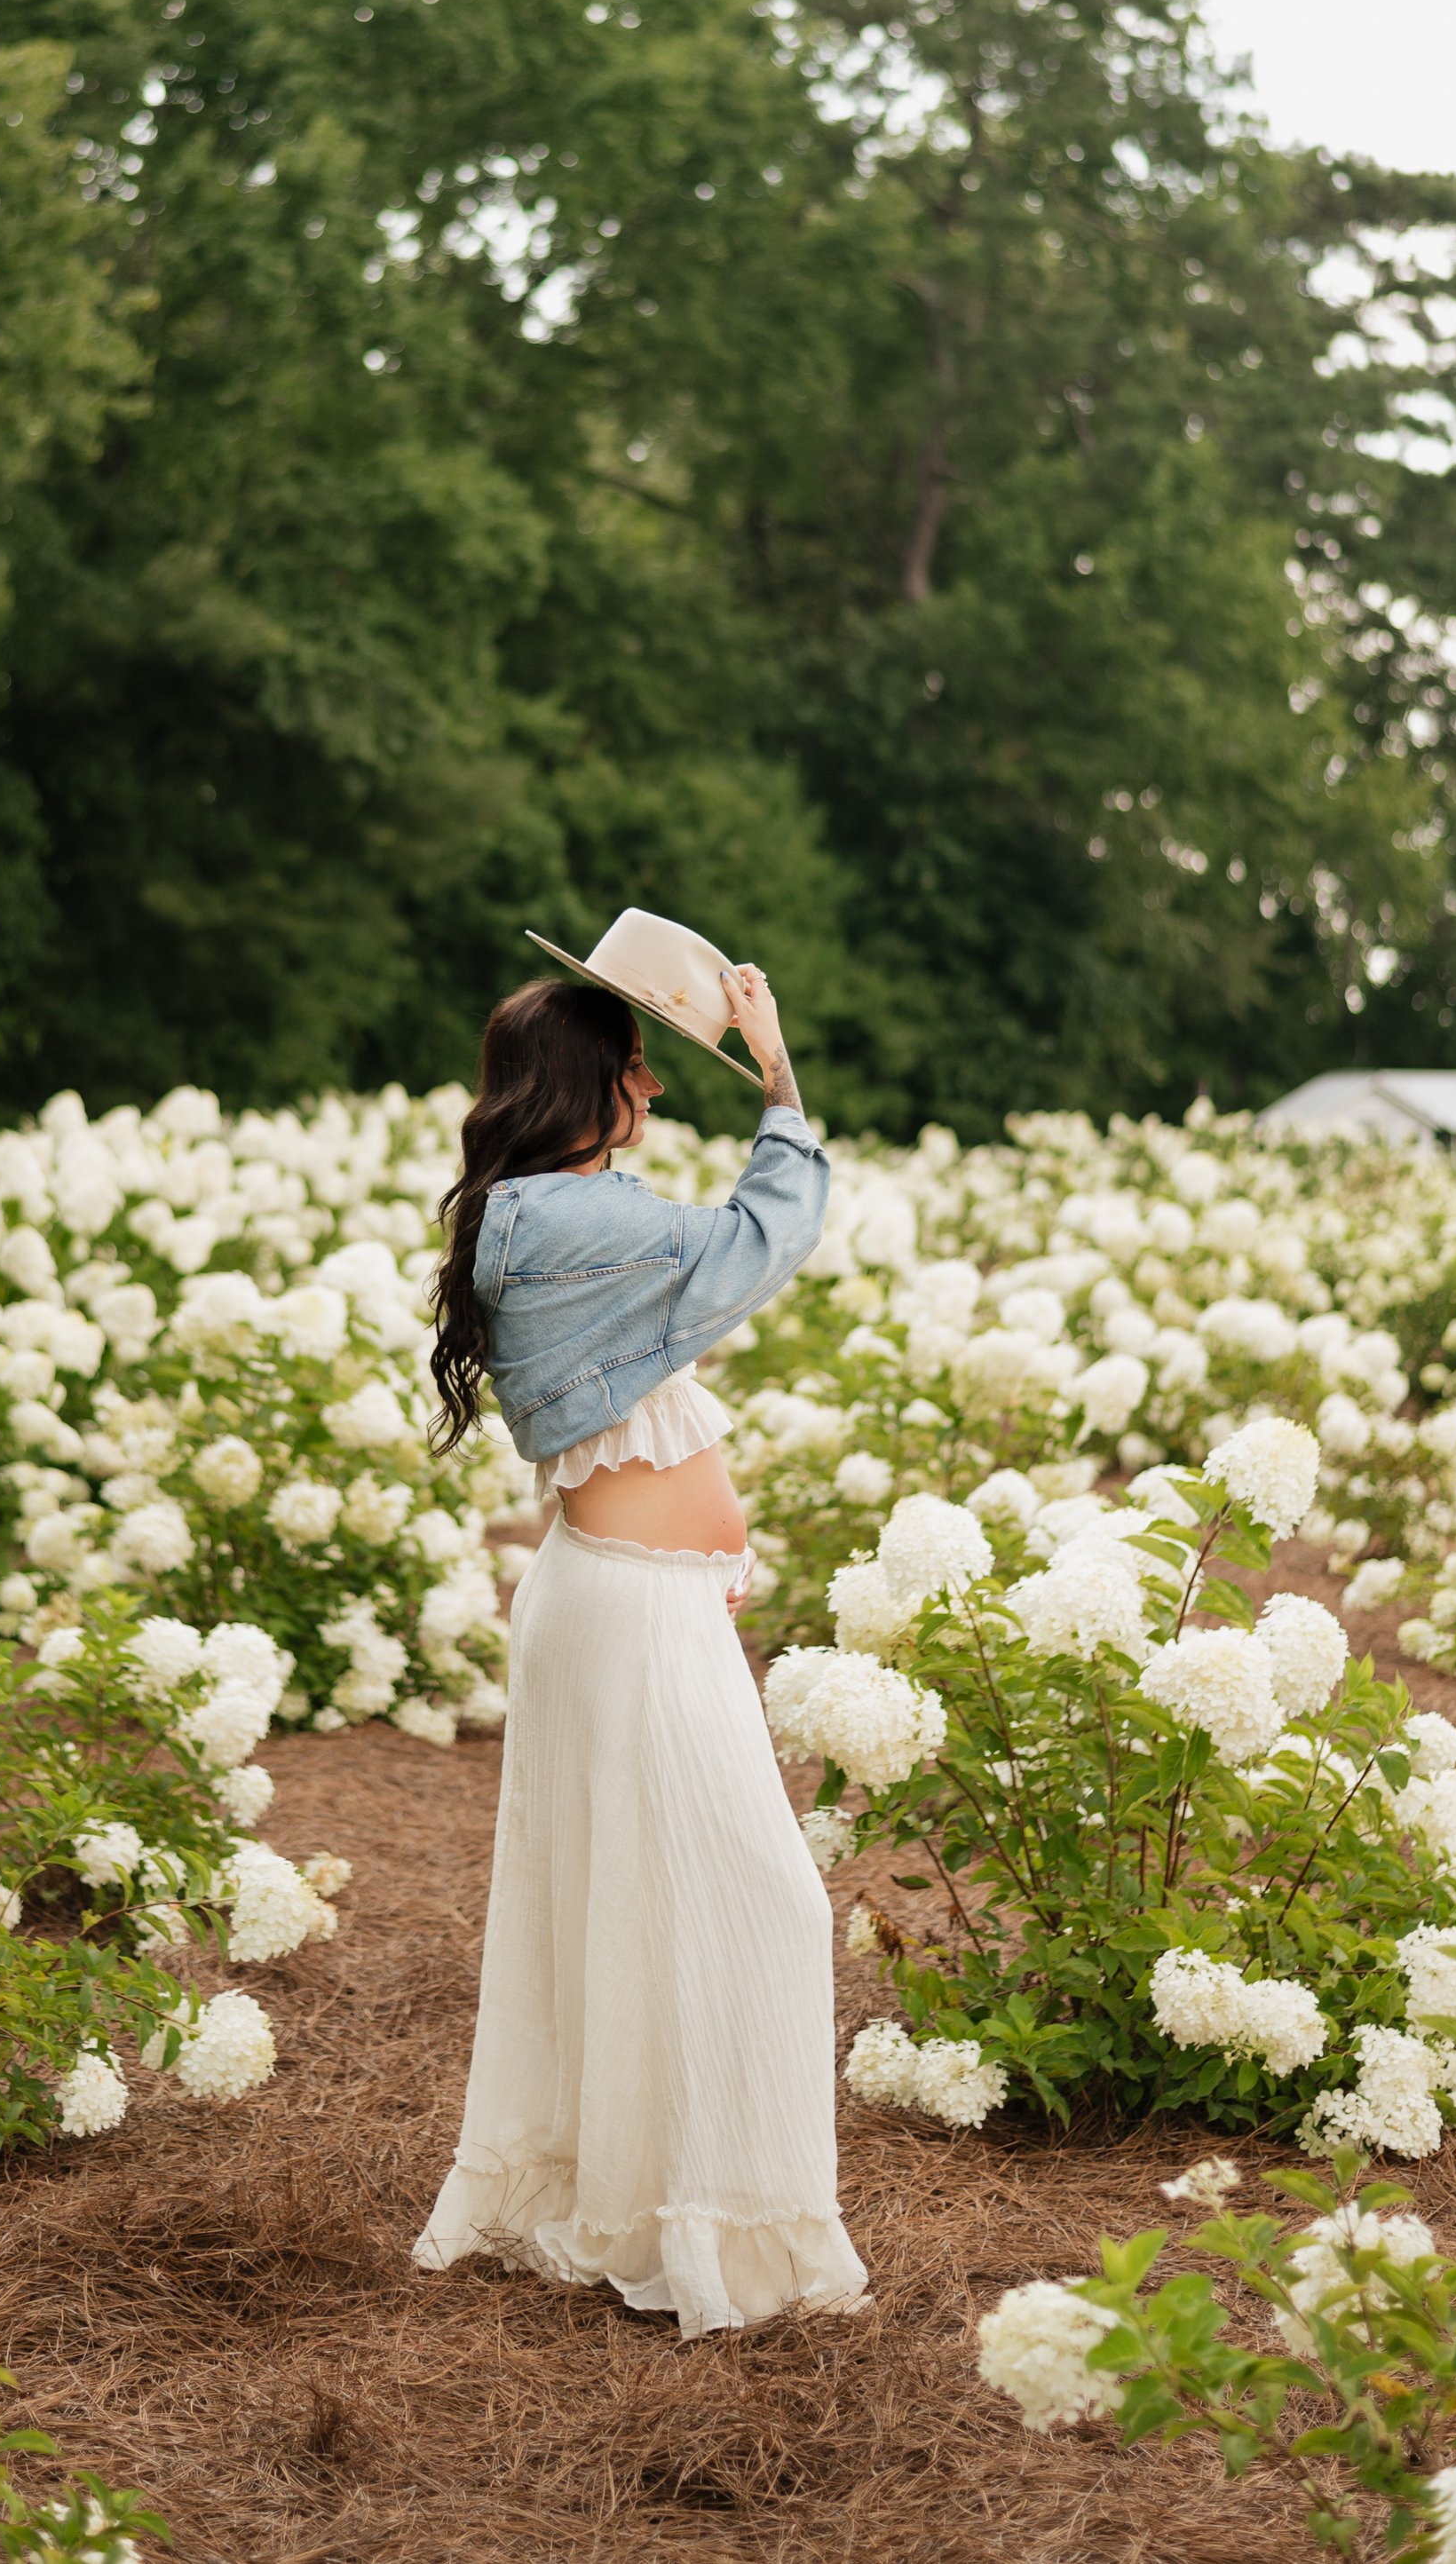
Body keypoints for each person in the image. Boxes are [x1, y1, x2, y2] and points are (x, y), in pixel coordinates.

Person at [412, 962, 868, 2338]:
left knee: (622, 1917)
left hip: (618, 1599)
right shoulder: (582, 1217)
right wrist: (773, 1063)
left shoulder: (532, 1211)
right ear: (585, 1085)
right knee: (763, 1905)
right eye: (637, 1066)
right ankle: (712, 2226)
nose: (658, 1086)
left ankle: (645, 2203)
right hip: (628, 1615)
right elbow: (766, 1230)